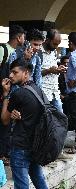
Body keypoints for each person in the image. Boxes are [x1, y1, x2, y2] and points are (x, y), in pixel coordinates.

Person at [1, 58, 48, 189]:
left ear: (26, 73)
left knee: (22, 185)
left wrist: (6, 95)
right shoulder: (38, 90)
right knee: (39, 180)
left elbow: (4, 119)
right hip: (35, 144)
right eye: (10, 72)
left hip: (21, 147)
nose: (10, 75)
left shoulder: (18, 93)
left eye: (15, 72)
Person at [0, 25, 25, 160]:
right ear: (19, 37)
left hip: (9, 92)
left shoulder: (17, 52)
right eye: (23, 37)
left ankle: (4, 153)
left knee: (8, 124)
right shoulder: (3, 49)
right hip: (3, 91)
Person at [41, 29, 65, 112]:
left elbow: (53, 69)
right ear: (47, 40)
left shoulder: (53, 52)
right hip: (43, 92)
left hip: (55, 92)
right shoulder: (38, 52)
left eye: (58, 44)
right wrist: (49, 70)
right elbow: (33, 74)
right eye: (54, 44)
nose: (56, 47)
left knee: (61, 119)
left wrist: (58, 69)